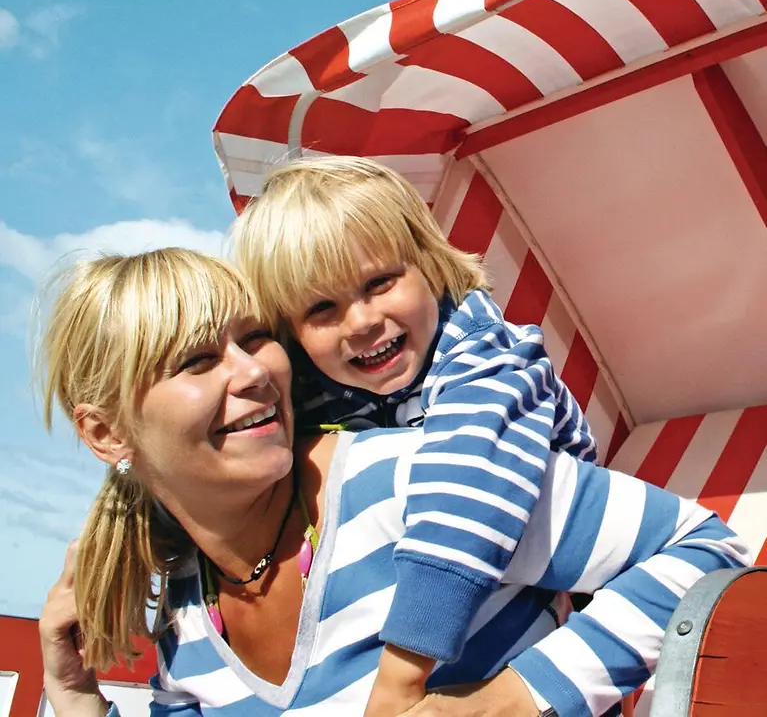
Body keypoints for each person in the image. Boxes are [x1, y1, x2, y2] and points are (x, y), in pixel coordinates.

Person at [38, 248, 749, 717]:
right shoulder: (184, 616)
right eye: (196, 362)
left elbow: (703, 550)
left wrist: (509, 699)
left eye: (255, 338)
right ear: (105, 433)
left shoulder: (411, 482)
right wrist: (73, 697)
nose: (253, 372)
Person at [231, 155, 598, 715]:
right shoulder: (319, 389)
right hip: (439, 636)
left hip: (538, 599)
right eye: (322, 308)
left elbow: (469, 490)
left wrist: (401, 676)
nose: (361, 322)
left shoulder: (488, 360)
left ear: (428, 264)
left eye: (379, 282)